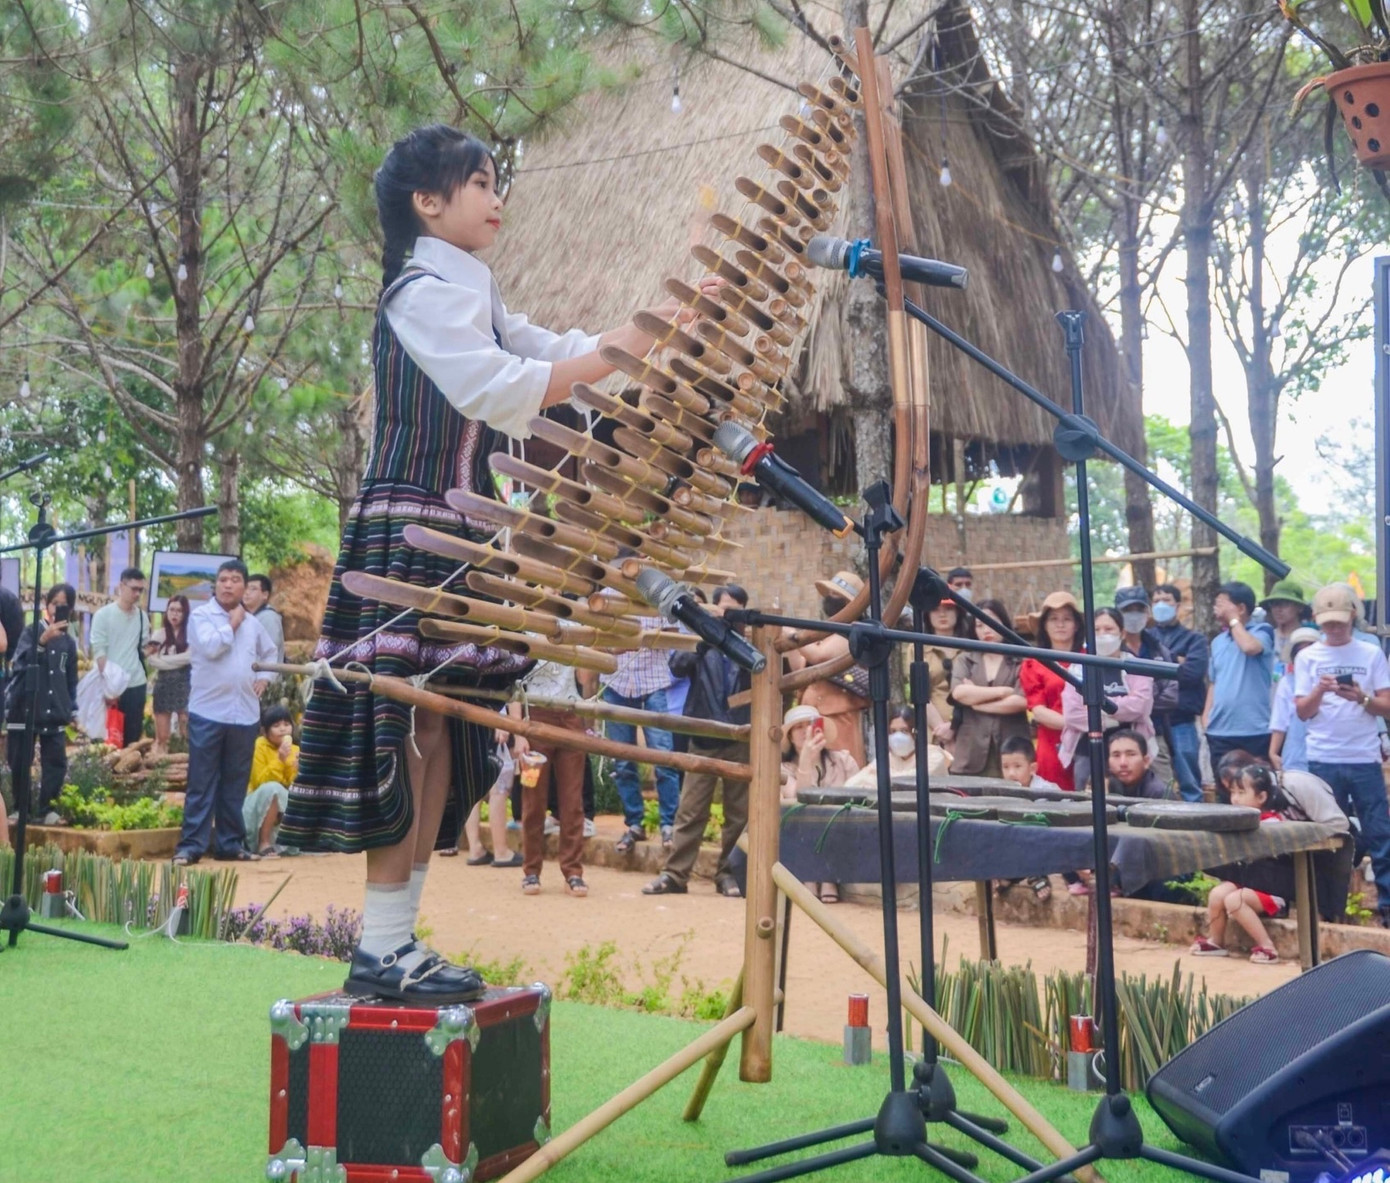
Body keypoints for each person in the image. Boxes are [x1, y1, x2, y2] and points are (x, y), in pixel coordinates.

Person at [278, 125, 711, 1003]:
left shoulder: (471, 288)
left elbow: (549, 351)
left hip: (462, 529)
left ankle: (395, 945)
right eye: (476, 182)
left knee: (442, 721)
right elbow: (501, 386)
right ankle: (383, 946)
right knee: (407, 727)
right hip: (411, 529)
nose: (494, 194)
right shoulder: (419, 291)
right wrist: (624, 350)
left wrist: (654, 329)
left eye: (492, 180)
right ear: (426, 203)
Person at [644, 585, 752, 898]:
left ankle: (728, 875)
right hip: (704, 734)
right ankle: (675, 875)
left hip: (741, 735)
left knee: (738, 814)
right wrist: (704, 634)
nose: (728, 616)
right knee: (690, 809)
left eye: (734, 610)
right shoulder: (700, 640)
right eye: (723, 609)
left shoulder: (751, 642)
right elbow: (676, 664)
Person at [1294, 583, 1390, 925]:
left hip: (1363, 757)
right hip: (1323, 757)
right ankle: (1326, 906)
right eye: (1328, 622)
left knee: (1380, 833)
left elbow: (1386, 705)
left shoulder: (1370, 652)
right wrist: (1320, 689)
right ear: (1318, 620)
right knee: (1325, 833)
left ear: (1353, 616)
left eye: (1340, 621)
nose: (1334, 628)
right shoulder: (1307, 657)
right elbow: (1302, 711)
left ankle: (1387, 906)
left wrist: (1360, 698)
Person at [174, 560, 278, 865]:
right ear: (215, 585)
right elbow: (210, 648)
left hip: (244, 714)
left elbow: (271, 652)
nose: (228, 585)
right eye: (223, 580)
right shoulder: (202, 617)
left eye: (235, 580)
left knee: (235, 782)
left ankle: (229, 845)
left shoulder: (255, 623)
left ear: (245, 587)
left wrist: (265, 678)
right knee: (202, 782)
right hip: (208, 712)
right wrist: (233, 623)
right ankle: (191, 846)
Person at [1190, 764, 1292, 964]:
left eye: (1242, 792)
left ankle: (1267, 946)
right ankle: (1216, 941)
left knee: (1234, 900)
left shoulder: (1272, 824)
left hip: (1273, 889)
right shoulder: (1237, 822)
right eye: (1233, 792)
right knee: (1217, 894)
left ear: (1261, 797)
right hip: (1247, 882)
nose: (1235, 798)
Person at [510, 658, 592, 897]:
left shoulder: (575, 628)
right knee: (533, 800)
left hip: (570, 714)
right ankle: (531, 870)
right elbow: (514, 685)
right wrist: (519, 734)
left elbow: (586, 678)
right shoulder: (528, 628)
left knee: (572, 801)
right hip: (534, 714)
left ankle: (573, 872)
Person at [602, 612, 681, 855]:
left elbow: (673, 637)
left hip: (653, 684)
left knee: (663, 758)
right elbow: (599, 640)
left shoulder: (658, 593)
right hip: (616, 684)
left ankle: (669, 825)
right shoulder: (606, 595)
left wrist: (641, 639)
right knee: (622, 761)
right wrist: (614, 646)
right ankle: (634, 823)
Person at [5, 583, 79, 826]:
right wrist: (41, 643)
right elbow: (19, 664)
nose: (59, 609)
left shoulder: (69, 643)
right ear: (46, 605)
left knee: (55, 760)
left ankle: (48, 809)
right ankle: (21, 809)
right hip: (25, 707)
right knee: (20, 759)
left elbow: (70, 678)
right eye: (55, 603)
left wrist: (72, 708)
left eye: (64, 605)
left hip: (55, 709)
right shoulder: (31, 631)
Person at [1060, 607, 1154, 791]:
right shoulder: (1078, 668)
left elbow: (1140, 706)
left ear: (1122, 633)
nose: (1103, 634)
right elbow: (1072, 714)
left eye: (1109, 629)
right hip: (1087, 752)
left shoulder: (1136, 666)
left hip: (1129, 754)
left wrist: (1096, 707)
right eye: (1097, 630)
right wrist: (1115, 714)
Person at [780, 703, 860, 903]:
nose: (805, 730)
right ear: (789, 736)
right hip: (798, 833)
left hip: (840, 831)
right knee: (804, 815)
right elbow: (796, 801)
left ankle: (827, 877)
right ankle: (810, 875)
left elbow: (859, 799)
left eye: (810, 724)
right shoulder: (782, 769)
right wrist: (806, 760)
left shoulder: (844, 761)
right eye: (798, 727)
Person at [791, 570, 869, 767]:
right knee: (812, 770)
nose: (830, 598)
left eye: (837, 595)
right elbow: (800, 669)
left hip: (840, 716)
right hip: (811, 714)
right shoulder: (827, 632)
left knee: (841, 771)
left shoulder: (852, 633)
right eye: (830, 594)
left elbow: (820, 656)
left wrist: (792, 635)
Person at [948, 598, 1028, 778]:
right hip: (970, 751)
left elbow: (1020, 701)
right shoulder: (965, 658)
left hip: (1012, 750)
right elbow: (959, 693)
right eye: (980, 625)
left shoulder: (1020, 659)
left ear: (1004, 624)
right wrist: (1003, 692)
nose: (986, 630)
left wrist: (977, 703)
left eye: (992, 623)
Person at [1148, 583, 1210, 803]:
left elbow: (1193, 673)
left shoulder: (1195, 639)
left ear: (1178, 605)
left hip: (1181, 720)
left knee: (1189, 781)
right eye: (1156, 601)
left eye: (1166, 600)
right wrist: (1177, 660)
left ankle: (1198, 827)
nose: (1161, 605)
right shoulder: (1146, 638)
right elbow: (1138, 674)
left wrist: (1161, 662)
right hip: (1152, 722)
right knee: (1157, 783)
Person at [1205, 580, 1276, 772]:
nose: (1215, 609)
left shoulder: (1263, 631)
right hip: (1219, 731)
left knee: (1256, 789)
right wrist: (1206, 720)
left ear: (1241, 608)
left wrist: (1234, 620)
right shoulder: (1218, 642)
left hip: (1255, 730)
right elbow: (1214, 682)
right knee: (1225, 793)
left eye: (1221, 604)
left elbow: (1250, 648)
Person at [1019, 590, 1084, 791]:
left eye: (1067, 619)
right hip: (1052, 744)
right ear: (1044, 626)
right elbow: (1038, 711)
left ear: (1076, 625)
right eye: (1054, 619)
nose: (1060, 624)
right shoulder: (1033, 662)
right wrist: (1078, 725)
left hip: (1088, 744)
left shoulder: (1092, 657)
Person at [90, 567, 151, 748]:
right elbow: (100, 652)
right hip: (111, 685)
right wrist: (109, 688)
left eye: (141, 590)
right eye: (133, 588)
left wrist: (152, 650)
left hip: (136, 683)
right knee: (108, 741)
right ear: (121, 586)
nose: (137, 594)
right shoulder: (103, 615)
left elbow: (142, 648)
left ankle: (131, 775)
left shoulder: (142, 617)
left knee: (133, 741)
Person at [997, 734, 1059, 901]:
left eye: (1017, 766)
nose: (1011, 773)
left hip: (1043, 844)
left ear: (1032, 768)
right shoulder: (1002, 793)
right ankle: (1012, 873)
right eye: (1006, 767)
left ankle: (1037, 875)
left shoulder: (1047, 791)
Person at [844, 705, 949, 788]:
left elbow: (912, 780)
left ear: (915, 732)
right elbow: (852, 783)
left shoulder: (933, 756)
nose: (898, 737)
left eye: (904, 731)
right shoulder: (887, 758)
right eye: (893, 731)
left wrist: (875, 778)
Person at [243, 705, 299, 856]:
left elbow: (290, 786)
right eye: (276, 725)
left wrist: (299, 771)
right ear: (265, 730)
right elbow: (260, 783)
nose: (283, 729)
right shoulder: (259, 746)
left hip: (282, 805)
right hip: (256, 802)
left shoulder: (295, 750)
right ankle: (263, 842)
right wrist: (279, 760)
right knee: (272, 789)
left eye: (286, 725)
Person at [1269, 626, 1319, 773]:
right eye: (1300, 652)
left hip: (1328, 754)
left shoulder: (1329, 681)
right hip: (1296, 754)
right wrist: (1273, 752)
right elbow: (1280, 720)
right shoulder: (1288, 682)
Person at [146, 594, 191, 756]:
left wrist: (164, 660)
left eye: (179, 610)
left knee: (186, 733)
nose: (175, 614)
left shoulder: (191, 634)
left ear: (185, 613)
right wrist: (177, 661)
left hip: (185, 687)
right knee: (162, 737)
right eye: (172, 610)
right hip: (163, 687)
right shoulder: (159, 634)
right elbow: (151, 660)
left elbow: (190, 657)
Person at [1105, 727, 1169, 800]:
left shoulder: (1157, 792)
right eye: (1116, 755)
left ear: (1146, 761)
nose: (1123, 763)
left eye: (1131, 755)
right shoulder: (1107, 786)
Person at [1258, 580, 1309, 671]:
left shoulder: (1308, 639)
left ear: (1300, 607)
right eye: (1274, 604)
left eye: (1285, 604)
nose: (1278, 609)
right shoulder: (1265, 638)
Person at [243, 574, 285, 664]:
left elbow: (270, 653)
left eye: (253, 589)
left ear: (265, 595)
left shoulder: (269, 618)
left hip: (265, 675)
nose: (247, 592)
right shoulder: (247, 616)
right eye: (245, 588)